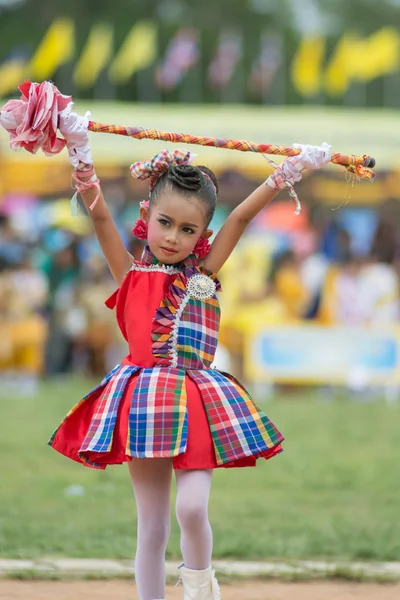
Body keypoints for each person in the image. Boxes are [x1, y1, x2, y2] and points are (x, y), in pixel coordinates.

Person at [49, 108, 331, 600]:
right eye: (164, 223)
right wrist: (80, 148)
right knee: (152, 526)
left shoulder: (204, 272)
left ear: (202, 236)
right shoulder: (129, 274)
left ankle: (201, 588)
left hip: (196, 396)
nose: (173, 238)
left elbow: (241, 217)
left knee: (193, 509)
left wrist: (291, 171)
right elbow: (95, 212)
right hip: (141, 400)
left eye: (188, 230)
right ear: (146, 218)